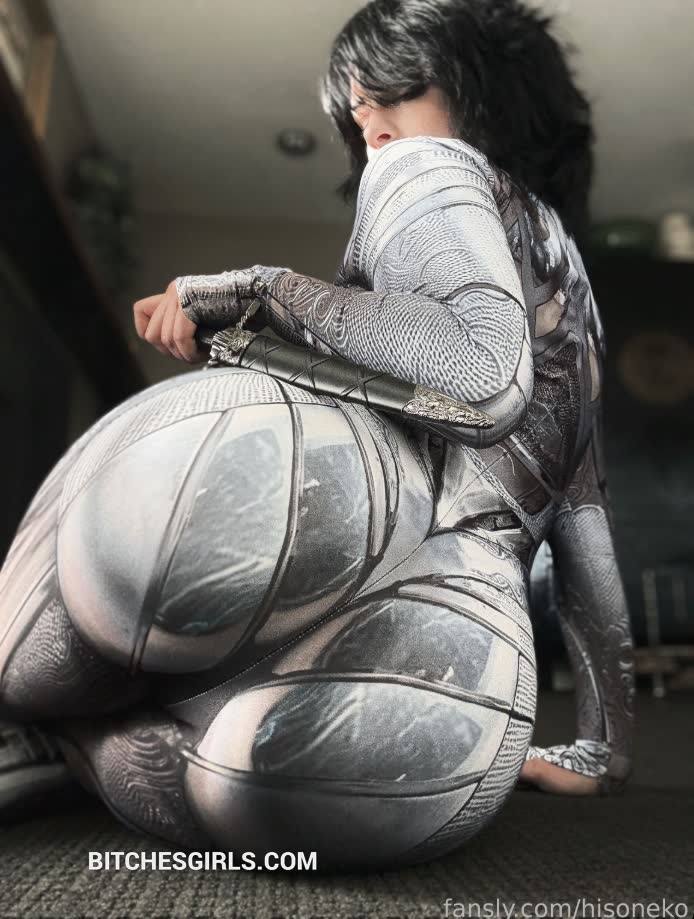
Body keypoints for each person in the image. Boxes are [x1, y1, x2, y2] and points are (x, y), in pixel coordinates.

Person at [0, 0, 634, 868]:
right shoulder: (577, 301)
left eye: (391, 86)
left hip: (347, 517)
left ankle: (51, 720)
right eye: (355, 108)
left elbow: (479, 377)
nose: (368, 118)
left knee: (151, 523)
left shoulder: (425, 165)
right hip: (462, 629)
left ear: (485, 89)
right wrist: (603, 749)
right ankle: (95, 739)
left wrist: (256, 292)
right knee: (262, 785)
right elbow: (586, 532)